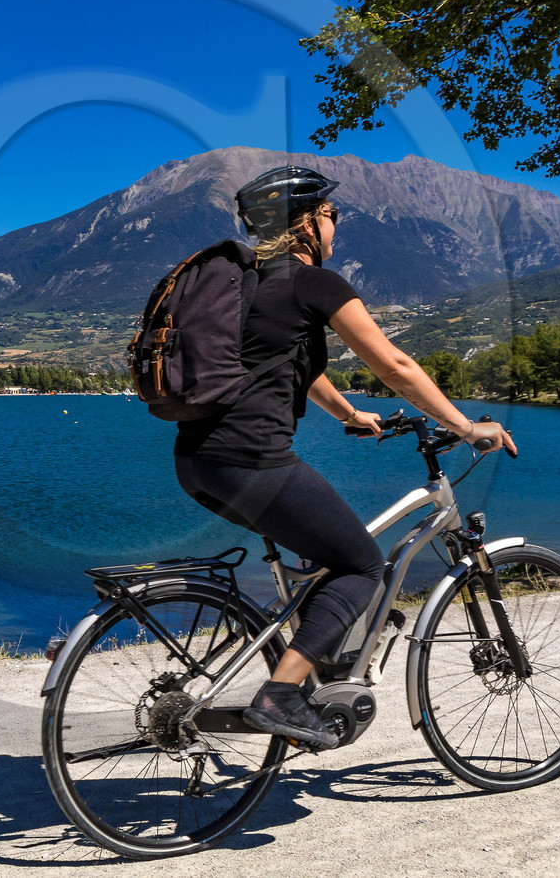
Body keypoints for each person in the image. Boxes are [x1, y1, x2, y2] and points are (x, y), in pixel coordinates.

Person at [173, 164, 517, 749]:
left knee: (325, 556)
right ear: (306, 223)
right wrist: (463, 426)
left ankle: (309, 663)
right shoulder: (314, 283)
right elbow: (395, 366)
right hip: (253, 459)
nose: (337, 228)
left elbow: (292, 367)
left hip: (198, 460)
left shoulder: (245, 284)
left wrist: (351, 415)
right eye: (332, 216)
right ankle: (279, 695)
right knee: (363, 565)